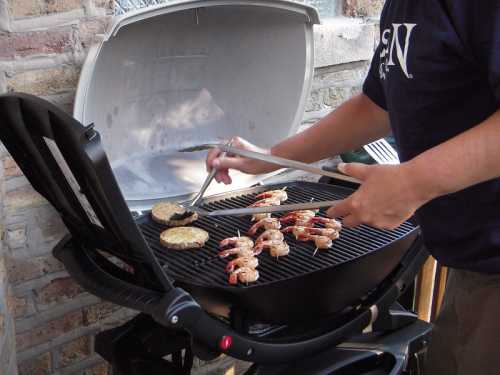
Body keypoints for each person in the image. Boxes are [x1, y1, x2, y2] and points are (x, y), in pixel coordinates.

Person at [206, 0, 500, 373]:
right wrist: (270, 158)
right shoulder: (404, 8)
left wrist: (415, 181)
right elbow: (378, 105)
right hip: (473, 265)